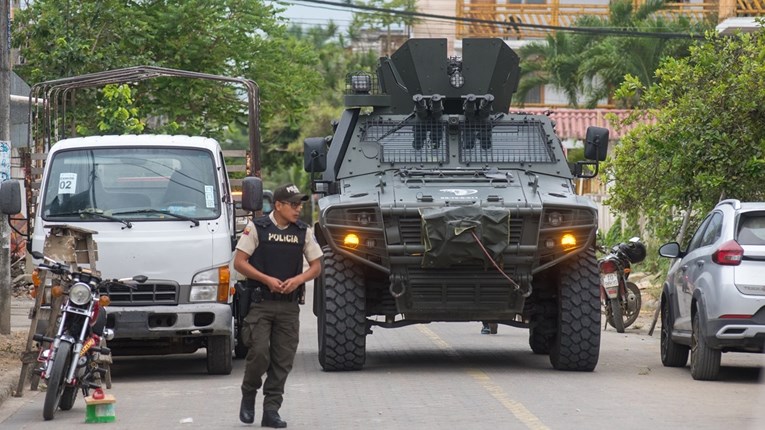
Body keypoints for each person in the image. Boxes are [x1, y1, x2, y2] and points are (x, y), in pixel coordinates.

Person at [233, 183, 323, 428]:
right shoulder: (257, 228)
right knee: (260, 354)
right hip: (261, 304)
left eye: (300, 204)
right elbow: (239, 263)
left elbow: (316, 265)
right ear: (279, 206)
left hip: (288, 306)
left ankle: (271, 410)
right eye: (293, 204)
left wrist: (298, 280)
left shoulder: (302, 231)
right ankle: (249, 392)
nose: (298, 209)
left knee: (283, 360)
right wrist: (266, 279)